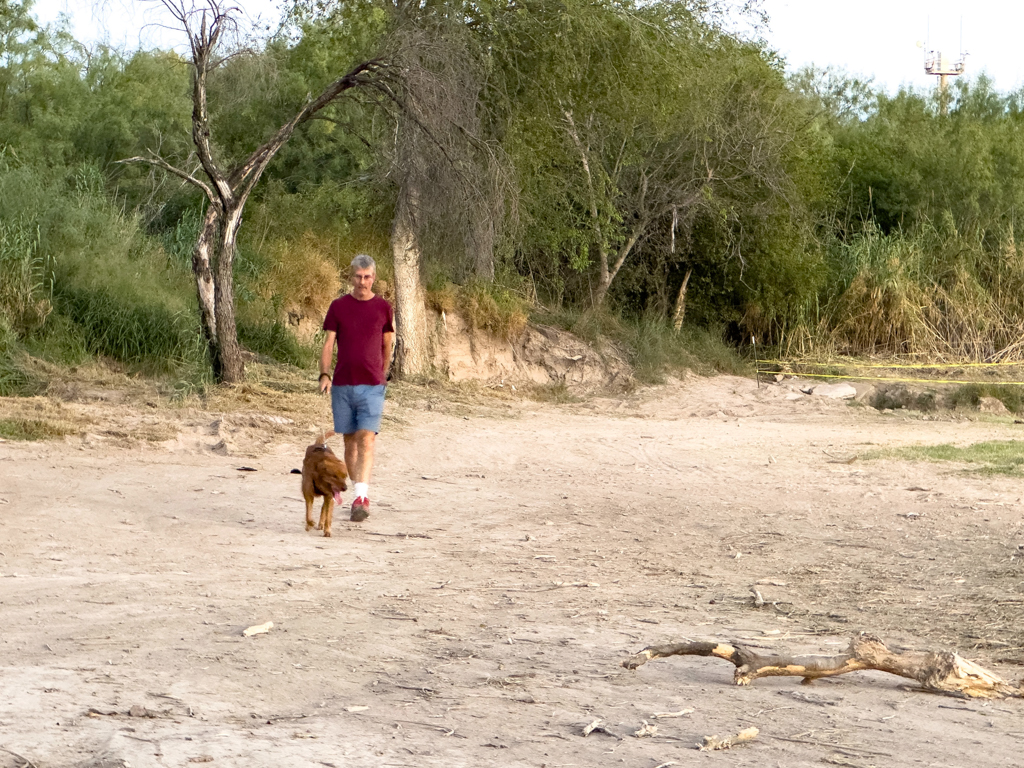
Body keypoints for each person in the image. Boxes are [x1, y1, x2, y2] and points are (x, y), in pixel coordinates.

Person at [319, 254, 395, 522]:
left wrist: (382, 373)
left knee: (367, 437)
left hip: (373, 385)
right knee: (349, 442)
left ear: (374, 277)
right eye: (358, 277)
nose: (362, 282)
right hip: (342, 384)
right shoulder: (338, 306)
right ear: (350, 277)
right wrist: (325, 374)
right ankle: (356, 492)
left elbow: (388, 343)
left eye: (367, 277)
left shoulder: (383, 308)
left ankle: (362, 496)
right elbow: (329, 343)